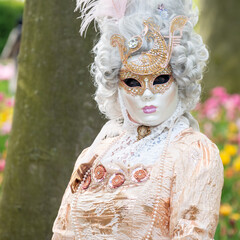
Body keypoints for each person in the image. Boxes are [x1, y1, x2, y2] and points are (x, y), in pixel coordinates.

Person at [52, 0, 224, 239]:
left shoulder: (194, 152)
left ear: (181, 80)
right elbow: (62, 231)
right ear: (117, 88)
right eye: (132, 82)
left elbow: (193, 233)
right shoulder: (95, 153)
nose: (147, 93)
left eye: (160, 79)